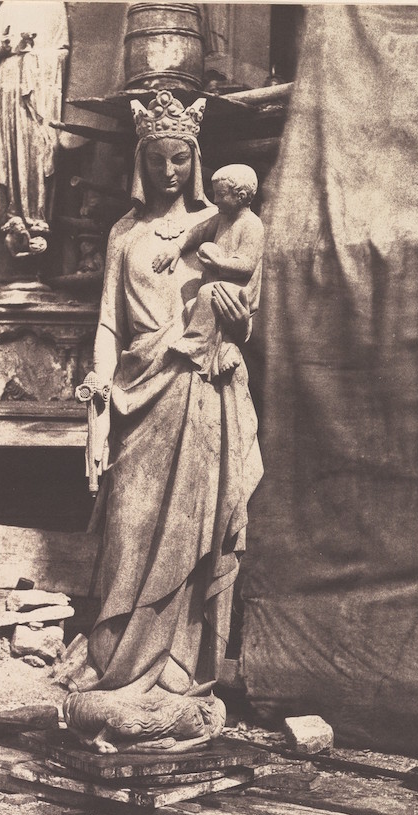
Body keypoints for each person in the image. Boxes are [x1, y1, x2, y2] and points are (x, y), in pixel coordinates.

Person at [66, 90, 263, 749]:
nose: (169, 171)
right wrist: (97, 379)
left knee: (191, 536)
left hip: (197, 391)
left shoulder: (224, 225)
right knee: (129, 530)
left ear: (196, 160)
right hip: (135, 393)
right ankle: (114, 664)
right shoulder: (126, 236)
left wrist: (238, 327)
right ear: (141, 162)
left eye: (181, 159)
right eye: (158, 160)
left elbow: (240, 308)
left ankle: (176, 676)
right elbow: (106, 324)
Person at [153, 163, 264, 381]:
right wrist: (177, 247)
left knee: (204, 295)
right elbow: (198, 231)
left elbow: (247, 266)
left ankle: (195, 343)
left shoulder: (252, 224)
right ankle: (221, 348)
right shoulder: (222, 218)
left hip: (239, 292)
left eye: (221, 194)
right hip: (220, 286)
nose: (216, 200)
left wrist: (219, 264)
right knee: (190, 307)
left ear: (241, 196)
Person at [0, 1, 69, 254]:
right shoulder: (8, 5)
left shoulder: (54, 6)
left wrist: (35, 53)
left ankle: (37, 217)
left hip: (40, 92)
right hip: (10, 86)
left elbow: (62, 52)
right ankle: (13, 216)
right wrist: (7, 47)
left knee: (39, 149)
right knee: (11, 150)